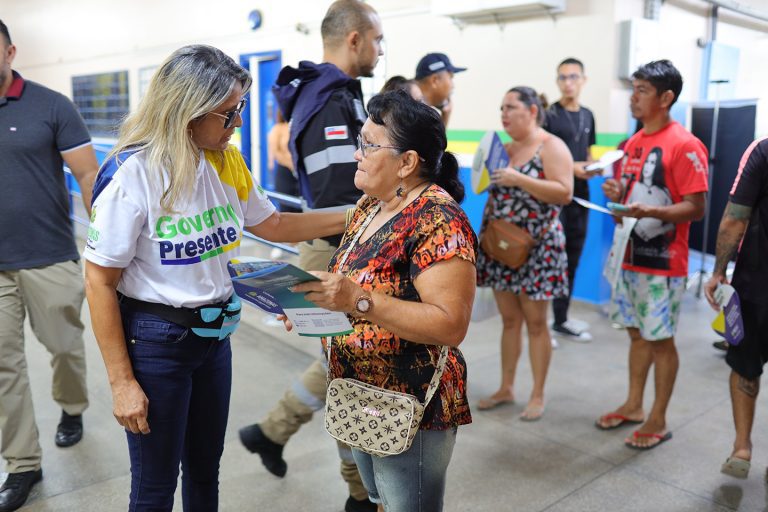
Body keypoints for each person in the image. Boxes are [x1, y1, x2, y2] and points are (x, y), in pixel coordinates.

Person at [83, 44, 347, 512]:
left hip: (214, 340)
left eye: (239, 109)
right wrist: (122, 382)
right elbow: (100, 280)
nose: (238, 124)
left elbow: (276, 227)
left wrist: (359, 212)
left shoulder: (226, 162)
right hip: (156, 343)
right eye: (228, 114)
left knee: (205, 470)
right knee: (155, 486)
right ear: (188, 111)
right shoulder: (134, 174)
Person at [289, 90, 476, 512]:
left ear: (407, 162)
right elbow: (352, 291)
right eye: (360, 141)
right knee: (379, 500)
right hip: (361, 394)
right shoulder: (369, 207)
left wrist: (358, 299)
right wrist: (312, 304)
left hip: (411, 405)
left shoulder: (439, 220)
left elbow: (450, 324)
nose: (357, 154)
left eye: (369, 146)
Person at [237, 2, 383, 511]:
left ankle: (271, 433)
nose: (381, 50)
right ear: (356, 39)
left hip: (334, 249)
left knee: (345, 372)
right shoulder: (330, 104)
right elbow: (343, 195)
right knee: (349, 379)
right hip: (335, 252)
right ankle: (359, 495)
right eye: (378, 40)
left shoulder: (330, 96)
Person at [0, 19, 97, 512]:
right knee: (4, 367)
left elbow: (86, 174)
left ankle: (72, 407)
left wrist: (106, 245)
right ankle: (22, 465)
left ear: (10, 51)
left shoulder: (50, 104)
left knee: (64, 347)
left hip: (49, 255)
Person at [597, 60, 708, 449]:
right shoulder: (633, 142)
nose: (633, 96)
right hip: (628, 255)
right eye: (633, 88)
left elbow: (696, 206)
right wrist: (617, 195)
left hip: (663, 265)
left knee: (660, 340)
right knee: (635, 333)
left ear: (666, 97)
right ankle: (633, 405)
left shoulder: (685, 144)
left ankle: (658, 418)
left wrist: (653, 212)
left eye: (642, 90)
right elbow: (629, 194)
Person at [475, 86, 574, 420]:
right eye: (501, 107)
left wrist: (519, 179)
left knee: (536, 324)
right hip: (502, 247)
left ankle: (537, 393)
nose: (503, 114)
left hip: (537, 250)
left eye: (511, 107)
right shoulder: (503, 148)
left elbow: (564, 193)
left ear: (532, 111)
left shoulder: (551, 146)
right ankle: (506, 386)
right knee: (509, 321)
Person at [704, 137, 768, 479]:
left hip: (757, 282)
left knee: (745, 365)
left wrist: (718, 272)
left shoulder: (763, 150)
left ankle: (742, 448)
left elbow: (735, 217)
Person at [544, 58, 597, 342]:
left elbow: (586, 154)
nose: (568, 83)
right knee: (553, 258)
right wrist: (572, 168)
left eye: (573, 77)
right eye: (563, 78)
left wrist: (593, 167)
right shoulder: (550, 115)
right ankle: (542, 322)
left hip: (582, 197)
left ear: (583, 79)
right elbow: (545, 157)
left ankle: (561, 319)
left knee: (573, 257)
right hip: (557, 196)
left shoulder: (588, 115)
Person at [414, 53, 466, 126]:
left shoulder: (413, 110)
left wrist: (446, 114)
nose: (453, 86)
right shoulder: (414, 116)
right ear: (435, 80)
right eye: (451, 78)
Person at [267, 107, 300, 213]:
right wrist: (292, 166)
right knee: (287, 209)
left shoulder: (299, 126)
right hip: (286, 173)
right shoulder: (278, 128)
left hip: (301, 174)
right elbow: (276, 152)